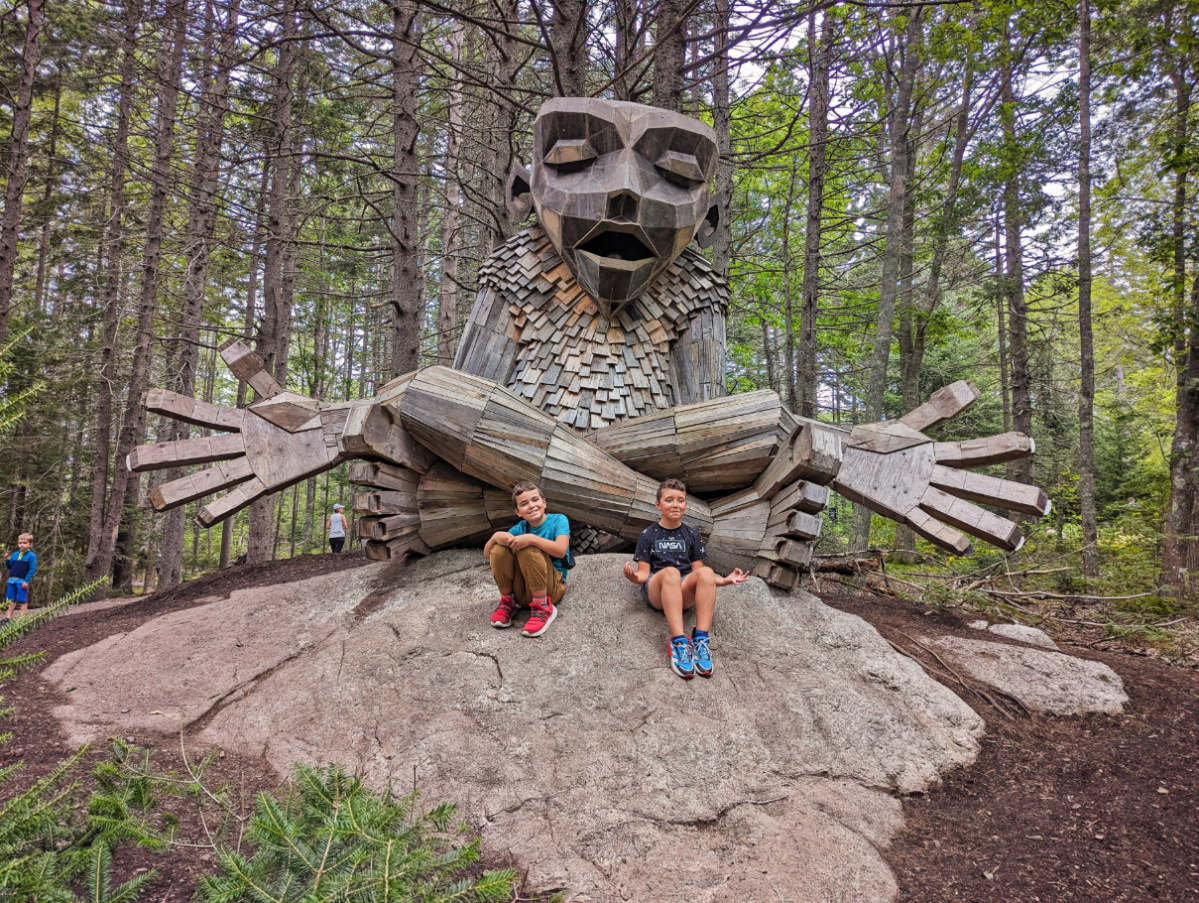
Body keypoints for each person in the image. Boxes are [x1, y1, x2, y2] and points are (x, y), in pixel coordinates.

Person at [623, 479, 747, 680]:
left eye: (680, 500)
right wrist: (634, 576)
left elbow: (698, 575)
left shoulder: (692, 535)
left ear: (686, 505)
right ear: (658, 504)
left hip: (682, 592)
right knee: (670, 572)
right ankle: (679, 642)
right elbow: (644, 574)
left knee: (706, 572)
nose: (675, 504)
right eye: (669, 500)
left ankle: (700, 641)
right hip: (658, 590)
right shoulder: (648, 534)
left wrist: (724, 581)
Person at [483, 482, 570, 638]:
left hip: (551, 590)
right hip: (522, 594)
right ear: (518, 512)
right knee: (500, 547)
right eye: (524, 504)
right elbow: (489, 555)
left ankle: (543, 608)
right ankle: (507, 602)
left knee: (527, 547)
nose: (531, 506)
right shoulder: (519, 528)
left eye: (535, 500)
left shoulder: (558, 520)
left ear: (544, 502)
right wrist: (494, 538)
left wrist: (532, 539)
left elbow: (561, 551)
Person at [2, 533, 37, 625]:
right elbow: (10, 566)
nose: (21, 544)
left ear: (30, 544)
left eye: (24, 543)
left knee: (22, 599)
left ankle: (23, 618)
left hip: (22, 581)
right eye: (20, 542)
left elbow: (32, 569)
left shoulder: (31, 556)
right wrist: (8, 559)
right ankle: (8, 617)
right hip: (12, 580)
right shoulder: (14, 554)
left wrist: (27, 581)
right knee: (10, 600)